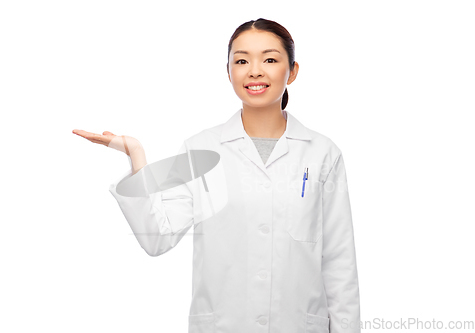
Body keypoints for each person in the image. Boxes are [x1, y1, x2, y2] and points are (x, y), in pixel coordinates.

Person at [73, 18, 361, 333]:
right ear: (228, 72)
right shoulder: (200, 148)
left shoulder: (322, 152)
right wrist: (137, 156)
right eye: (241, 60)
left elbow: (339, 262)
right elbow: (157, 238)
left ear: (292, 71)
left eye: (269, 59)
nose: (254, 70)